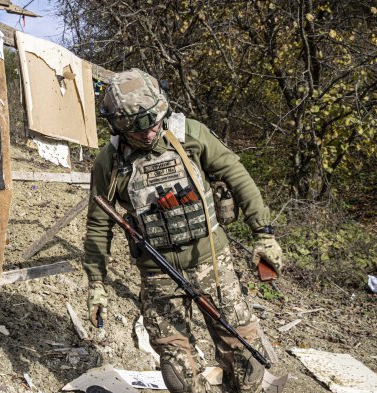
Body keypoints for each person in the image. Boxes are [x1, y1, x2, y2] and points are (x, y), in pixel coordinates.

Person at [83, 68, 283, 393]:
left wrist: (264, 233)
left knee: (246, 361)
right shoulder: (110, 161)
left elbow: (237, 175)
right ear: (117, 125)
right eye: (135, 130)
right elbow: (98, 223)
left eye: (152, 124)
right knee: (178, 371)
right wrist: (97, 284)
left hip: (212, 263)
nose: (147, 135)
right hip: (158, 275)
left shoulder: (190, 135)